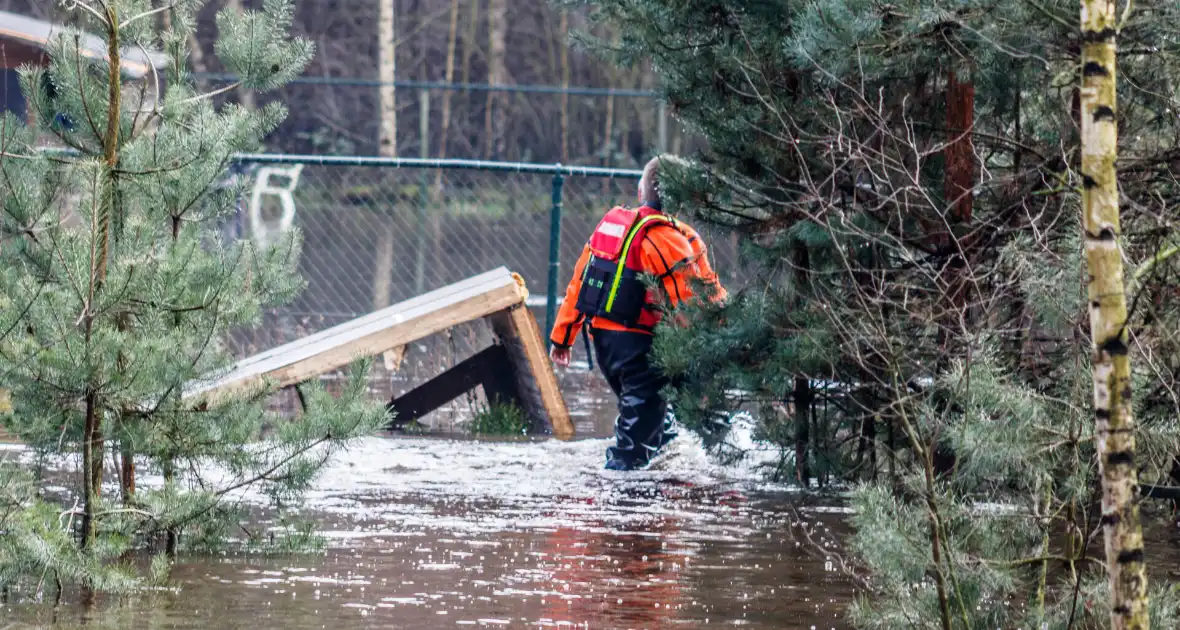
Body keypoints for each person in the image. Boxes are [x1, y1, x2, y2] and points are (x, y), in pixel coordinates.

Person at [548, 155, 727, 470]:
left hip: (605, 348)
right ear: (680, 198)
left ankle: (664, 458)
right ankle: (620, 499)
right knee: (633, 451)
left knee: (655, 425)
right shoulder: (669, 240)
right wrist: (724, 336)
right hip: (640, 354)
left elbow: (578, 285)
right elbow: (693, 302)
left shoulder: (611, 229)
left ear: (640, 191)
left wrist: (562, 338)